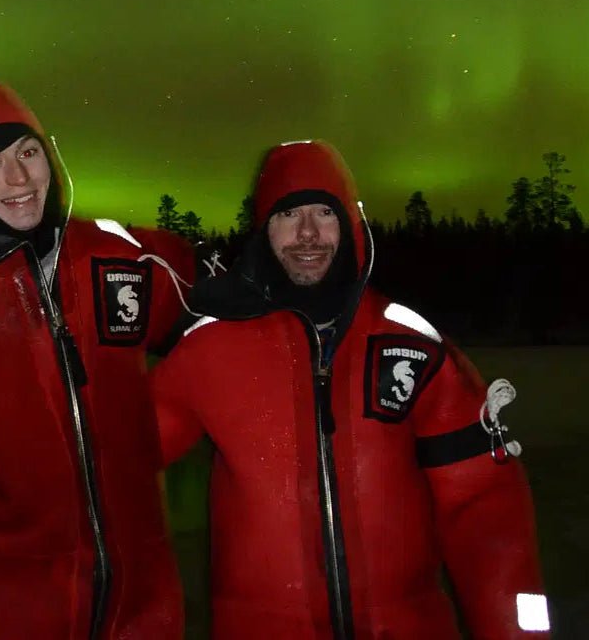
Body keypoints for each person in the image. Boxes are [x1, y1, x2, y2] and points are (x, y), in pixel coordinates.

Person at [151, 139, 550, 638]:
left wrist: (521, 633)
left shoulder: (412, 346)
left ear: (350, 224)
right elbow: (112, 460)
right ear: (263, 229)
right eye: (288, 213)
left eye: (324, 212)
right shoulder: (208, 349)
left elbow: (485, 514)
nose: (308, 234)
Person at [0, 80, 194, 639]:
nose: (18, 179)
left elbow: (222, 332)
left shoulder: (117, 255)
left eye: (28, 153)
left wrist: (156, 435)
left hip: (143, 604)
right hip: (6, 606)